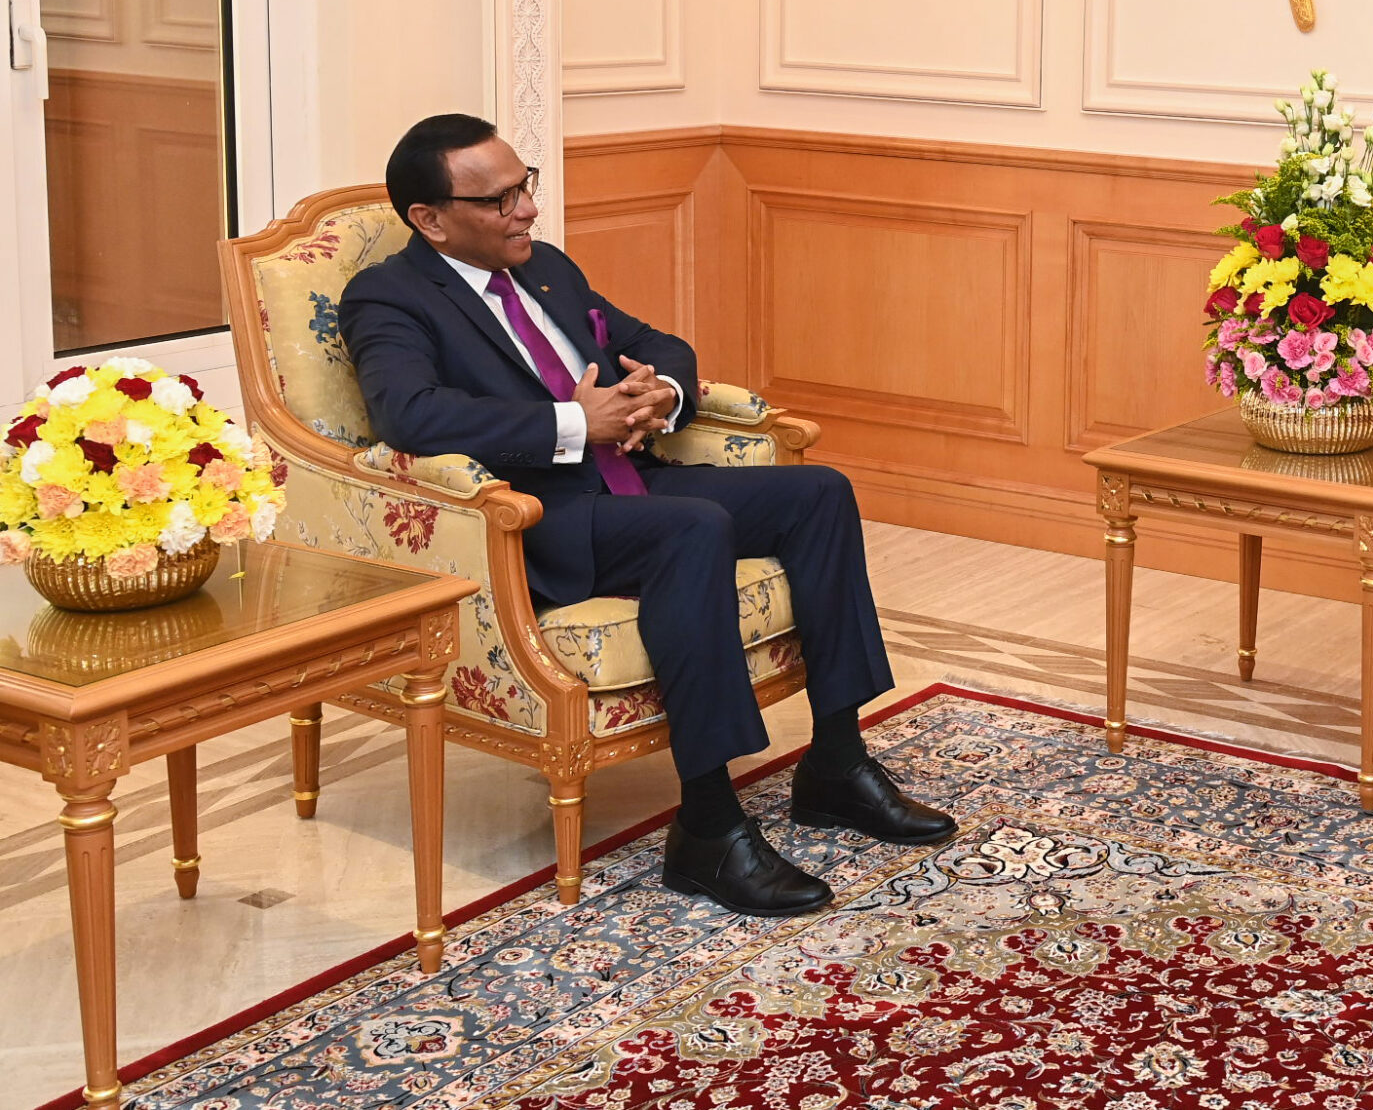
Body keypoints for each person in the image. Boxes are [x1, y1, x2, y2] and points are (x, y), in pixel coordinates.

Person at [341, 114, 954, 918]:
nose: (527, 210)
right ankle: (708, 827)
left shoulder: (546, 268)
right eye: (500, 201)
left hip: (631, 481)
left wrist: (661, 392)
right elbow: (410, 415)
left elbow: (657, 343)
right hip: (539, 517)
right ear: (430, 219)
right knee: (693, 528)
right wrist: (574, 423)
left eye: (526, 185)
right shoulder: (388, 296)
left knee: (819, 492)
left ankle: (836, 764)